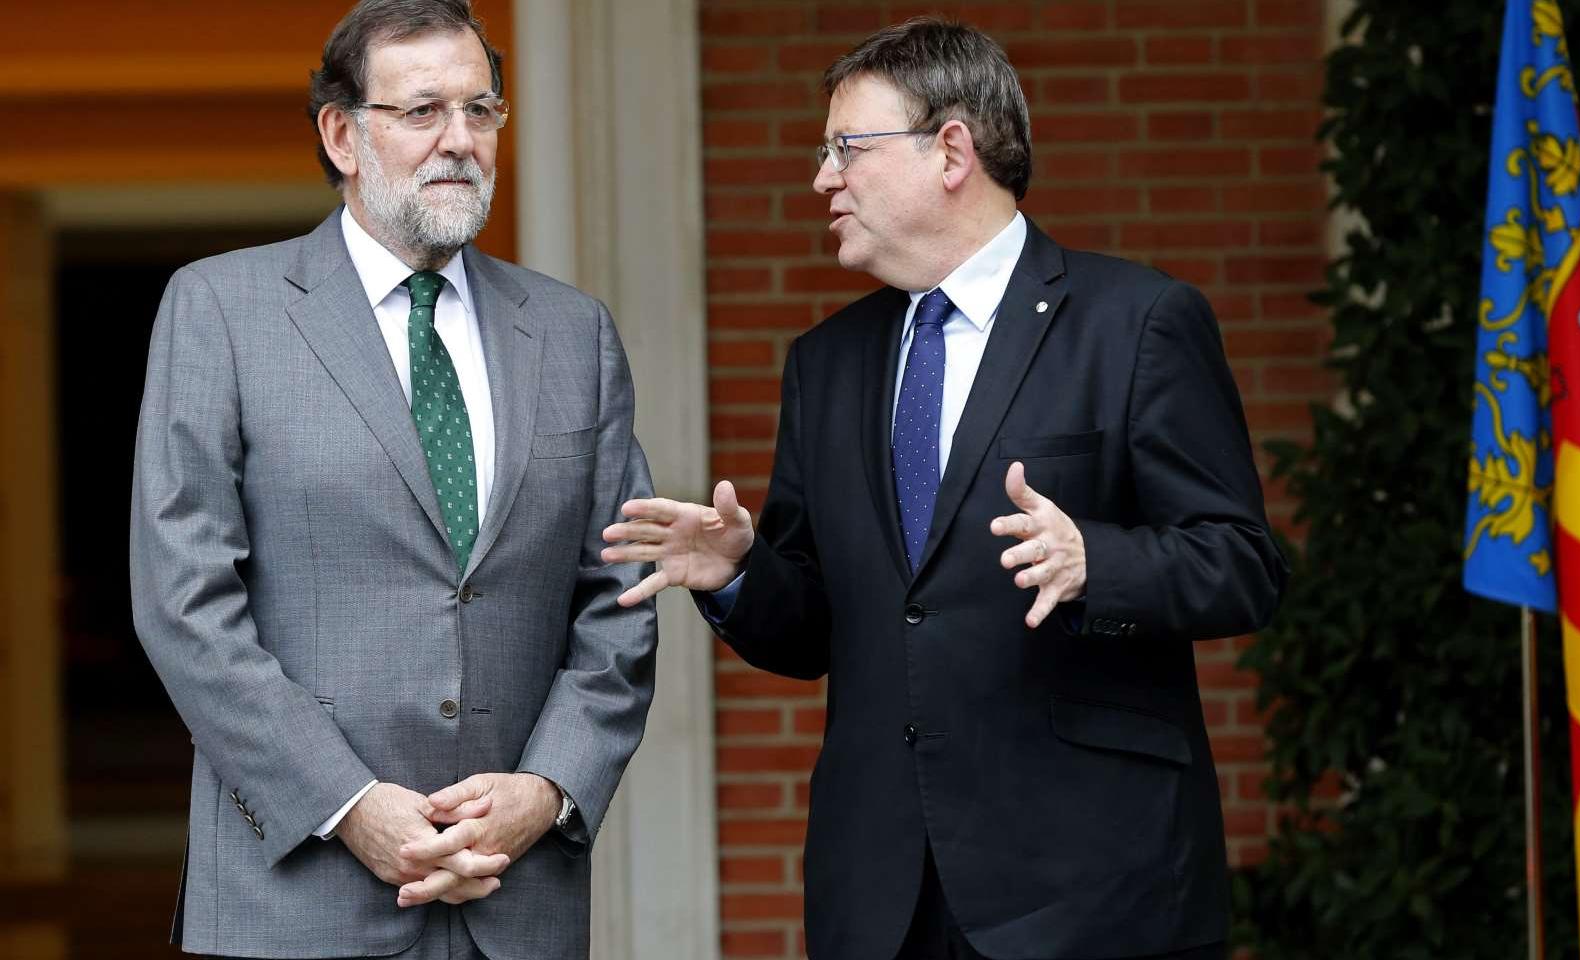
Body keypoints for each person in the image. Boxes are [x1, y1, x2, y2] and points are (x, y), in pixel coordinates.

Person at [603, 18, 1287, 960]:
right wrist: (739, 572)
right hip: (883, 898)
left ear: (953, 151)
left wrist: (1095, 561)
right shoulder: (827, 364)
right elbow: (813, 634)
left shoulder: (1137, 323)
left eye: (848, 148)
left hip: (1089, 891)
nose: (823, 178)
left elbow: (1244, 565)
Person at [128, 1, 656, 957]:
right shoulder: (221, 311)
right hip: (299, 898)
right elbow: (183, 602)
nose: (460, 140)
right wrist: (346, 802)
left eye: (480, 110)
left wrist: (548, 789)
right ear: (342, 134)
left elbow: (621, 592)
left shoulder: (573, 332)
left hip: (516, 895)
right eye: (422, 111)